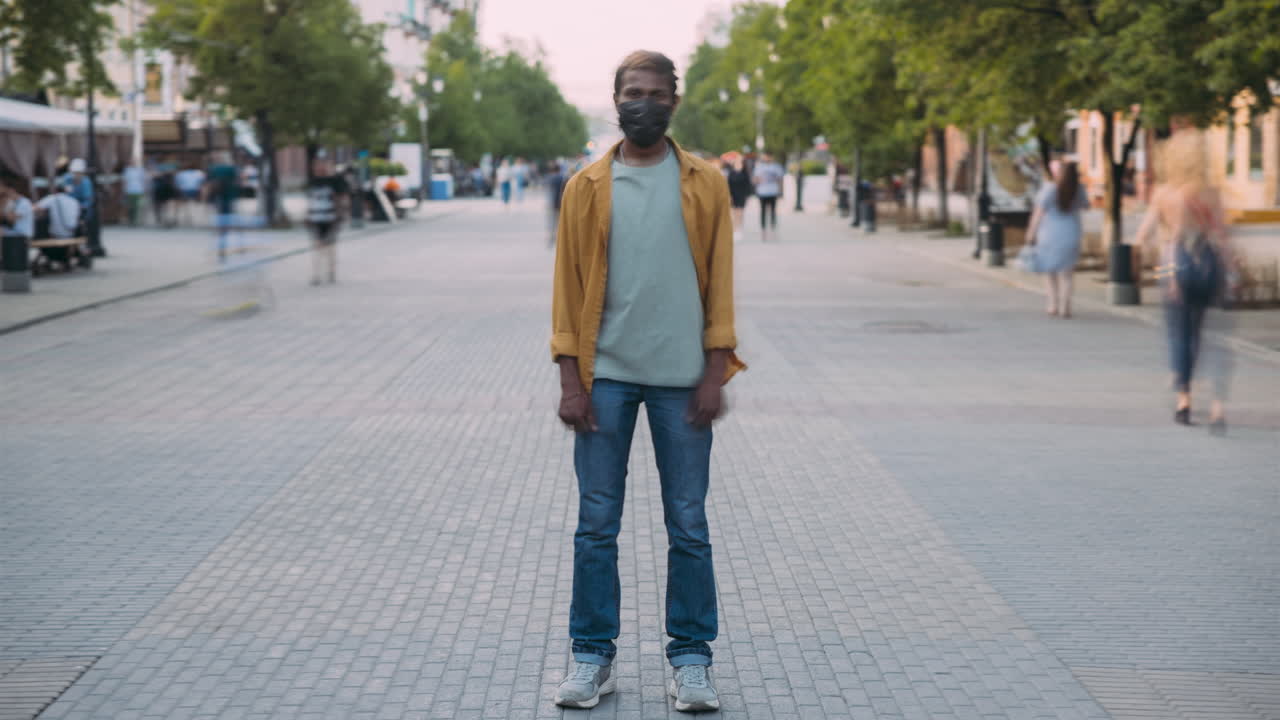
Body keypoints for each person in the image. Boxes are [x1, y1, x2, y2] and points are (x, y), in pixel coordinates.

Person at [551, 49, 744, 714]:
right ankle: (591, 657)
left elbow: (720, 280)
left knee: (688, 525)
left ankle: (691, 661)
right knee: (595, 526)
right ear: (616, 100)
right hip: (604, 379)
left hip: (682, 381)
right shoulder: (586, 187)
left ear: (674, 102)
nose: (644, 103)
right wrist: (570, 381)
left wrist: (716, 368)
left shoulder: (705, 183)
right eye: (634, 92)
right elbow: (566, 290)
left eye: (657, 93)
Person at [1133, 131, 1239, 431]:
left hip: (1176, 267)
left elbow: (1150, 238)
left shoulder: (1165, 193)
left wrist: (1163, 274)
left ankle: (1184, 400)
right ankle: (1218, 407)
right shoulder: (1210, 193)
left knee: (1180, 336)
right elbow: (1222, 236)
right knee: (1212, 338)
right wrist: (1232, 274)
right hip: (1210, 265)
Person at [1025, 161, 1089, 318]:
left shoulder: (1049, 189)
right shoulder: (1079, 190)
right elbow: (1086, 206)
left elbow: (1038, 213)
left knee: (1050, 271)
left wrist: (1030, 233)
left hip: (1049, 235)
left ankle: (1053, 304)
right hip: (1071, 233)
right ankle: (1065, 307)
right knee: (1067, 274)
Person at [306, 157, 350, 285]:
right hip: (316, 218)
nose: (319, 168)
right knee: (317, 246)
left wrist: (341, 215)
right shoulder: (313, 181)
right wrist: (308, 215)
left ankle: (330, 271)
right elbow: (310, 200)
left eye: (322, 165)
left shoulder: (335, 181)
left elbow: (343, 198)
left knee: (330, 247)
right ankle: (316, 274)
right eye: (317, 165)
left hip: (331, 218)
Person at [207, 152, 240, 261]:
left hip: (218, 196)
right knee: (228, 215)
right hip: (229, 195)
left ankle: (221, 232)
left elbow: (209, 183)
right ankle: (226, 231)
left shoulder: (213, 168)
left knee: (220, 214)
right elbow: (238, 180)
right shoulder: (231, 168)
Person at [752, 152, 784, 241]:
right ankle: (763, 231)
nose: (767, 158)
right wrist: (758, 181)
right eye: (765, 157)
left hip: (773, 192)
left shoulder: (776, 167)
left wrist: (781, 192)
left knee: (773, 211)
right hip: (762, 192)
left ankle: (773, 230)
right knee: (763, 212)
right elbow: (754, 180)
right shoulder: (759, 167)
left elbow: (780, 180)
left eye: (768, 156)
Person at [0, 175, 35, 241]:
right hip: (15, 232)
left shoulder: (24, 202)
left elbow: (11, 219)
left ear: (11, 190)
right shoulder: (14, 202)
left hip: (22, 234)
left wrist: (5, 206)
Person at [726, 155, 752, 237]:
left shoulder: (745, 172)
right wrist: (729, 195)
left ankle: (739, 229)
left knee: (740, 212)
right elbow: (728, 184)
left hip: (742, 194)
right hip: (733, 194)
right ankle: (734, 229)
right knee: (733, 213)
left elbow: (748, 185)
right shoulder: (731, 172)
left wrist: (747, 196)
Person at [545, 160, 566, 248]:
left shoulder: (549, 178)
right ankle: (559, 239)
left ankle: (551, 238)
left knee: (551, 222)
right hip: (560, 203)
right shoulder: (562, 178)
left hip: (551, 203)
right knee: (559, 222)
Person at [123, 162, 147, 226]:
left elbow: (143, 180)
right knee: (130, 206)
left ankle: (136, 221)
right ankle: (130, 220)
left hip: (139, 190)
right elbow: (125, 180)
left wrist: (144, 189)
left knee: (137, 206)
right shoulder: (128, 170)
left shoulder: (141, 170)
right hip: (130, 190)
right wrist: (124, 190)